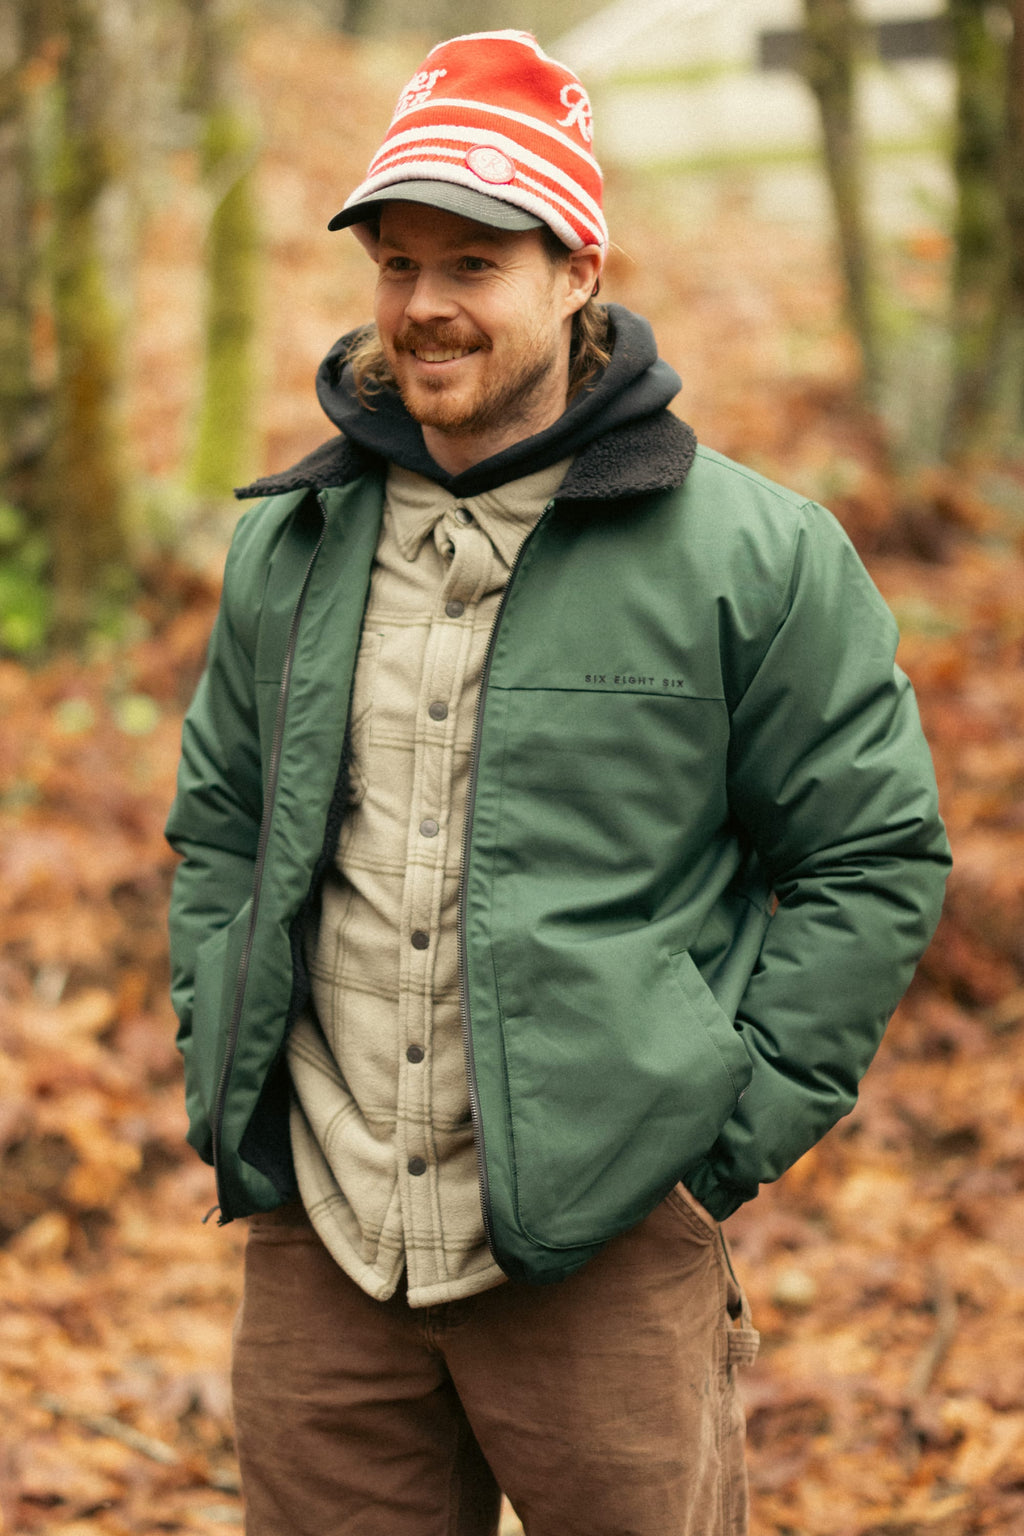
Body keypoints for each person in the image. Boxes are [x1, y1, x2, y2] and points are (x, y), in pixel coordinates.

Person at [166, 29, 951, 1536]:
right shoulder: (293, 542)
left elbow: (871, 858)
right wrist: (227, 1064)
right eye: (398, 263)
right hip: (325, 1246)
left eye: (474, 261)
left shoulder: (754, 555)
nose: (424, 305)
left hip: (608, 1248)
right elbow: (220, 824)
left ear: (579, 268)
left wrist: (716, 1148)